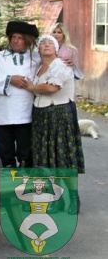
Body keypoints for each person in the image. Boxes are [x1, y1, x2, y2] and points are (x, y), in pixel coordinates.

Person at [0, 21, 39, 169]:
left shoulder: (36, 58)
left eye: (20, 38)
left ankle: (25, 182)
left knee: (26, 156)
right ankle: (9, 183)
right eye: (13, 37)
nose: (15, 40)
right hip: (3, 116)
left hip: (26, 116)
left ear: (28, 40)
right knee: (6, 156)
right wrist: (9, 79)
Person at [27, 34, 84, 174]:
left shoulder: (61, 65)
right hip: (41, 115)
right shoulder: (38, 67)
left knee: (59, 153)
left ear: (56, 49)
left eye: (50, 43)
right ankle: (45, 185)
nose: (46, 45)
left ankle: (63, 187)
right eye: (43, 43)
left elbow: (52, 88)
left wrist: (32, 87)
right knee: (43, 152)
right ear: (38, 49)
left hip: (59, 114)